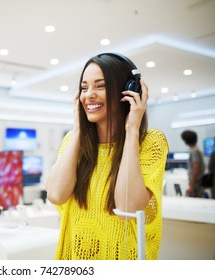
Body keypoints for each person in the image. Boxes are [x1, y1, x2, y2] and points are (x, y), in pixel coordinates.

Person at [46, 53, 168, 260]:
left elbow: (127, 208)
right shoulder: (73, 141)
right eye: (84, 88)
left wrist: (132, 131)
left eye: (100, 86)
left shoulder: (150, 142)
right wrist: (77, 130)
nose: (89, 95)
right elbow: (56, 195)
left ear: (130, 90)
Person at [180, 130, 205, 198]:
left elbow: (196, 168)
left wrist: (191, 186)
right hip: (197, 183)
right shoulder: (196, 149)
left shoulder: (194, 151)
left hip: (196, 184)